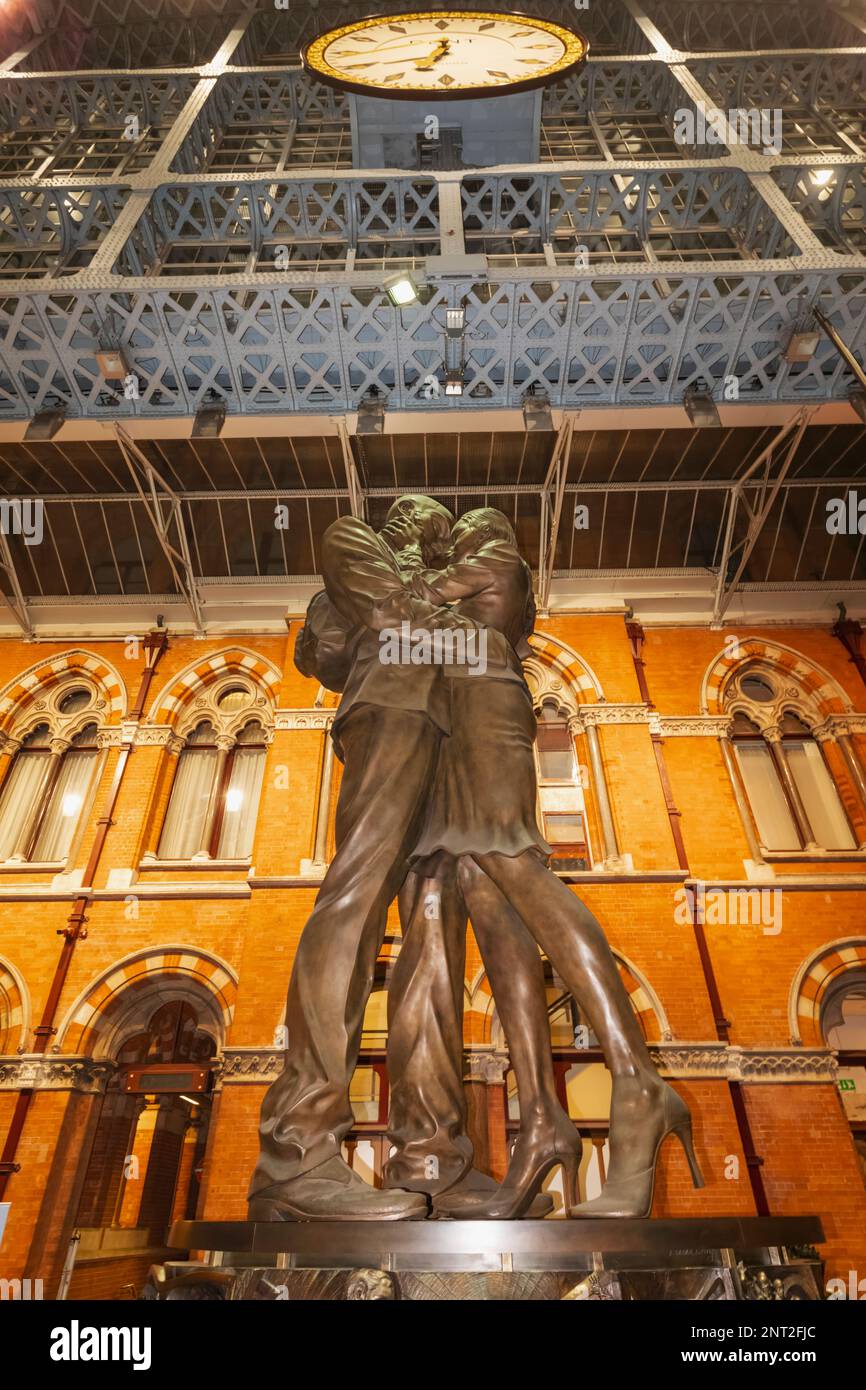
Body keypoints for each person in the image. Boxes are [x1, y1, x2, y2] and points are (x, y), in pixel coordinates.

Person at [387, 509, 705, 1218]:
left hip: (485, 718)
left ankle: (636, 1081)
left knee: (513, 861)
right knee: (480, 879)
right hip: (460, 723)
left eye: (455, 526)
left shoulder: (492, 557)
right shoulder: (470, 594)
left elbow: (404, 607)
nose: (447, 532)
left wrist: (407, 561)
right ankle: (541, 1117)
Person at [248, 495, 487, 1220]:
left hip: (454, 735)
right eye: (430, 523)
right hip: (392, 710)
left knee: (439, 934)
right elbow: (390, 617)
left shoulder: (417, 580)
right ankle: (297, 1151)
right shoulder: (350, 537)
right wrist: (459, 634)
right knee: (352, 901)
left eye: (447, 535)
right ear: (400, 517)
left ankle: (433, 1158)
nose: (439, 539)